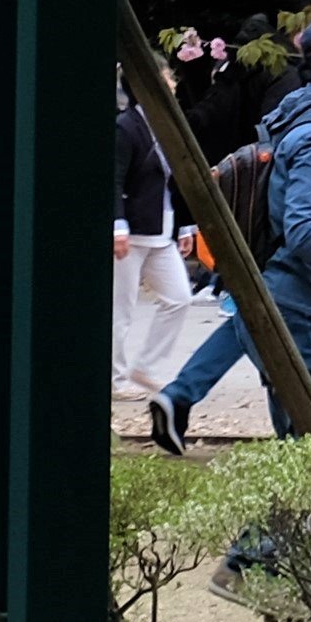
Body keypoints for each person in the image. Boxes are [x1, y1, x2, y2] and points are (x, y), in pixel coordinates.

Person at [163, 8, 311, 446]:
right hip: (307, 309)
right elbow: (306, 229)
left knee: (300, 449)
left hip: (290, 299)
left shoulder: (304, 119)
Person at [112, 76, 200, 437]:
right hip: (131, 230)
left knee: (179, 298)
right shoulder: (125, 126)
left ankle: (146, 365)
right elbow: (113, 179)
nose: (174, 83)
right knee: (122, 307)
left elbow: (178, 180)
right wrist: (117, 225)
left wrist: (185, 226)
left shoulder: (168, 122)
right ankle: (115, 378)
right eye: (165, 78)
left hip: (161, 229)